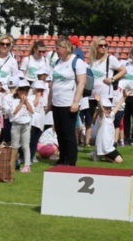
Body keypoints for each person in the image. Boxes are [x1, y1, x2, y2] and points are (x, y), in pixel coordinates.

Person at [47, 37, 86, 166]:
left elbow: (81, 83)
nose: (56, 50)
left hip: (68, 102)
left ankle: (71, 159)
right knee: (59, 131)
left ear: (65, 48)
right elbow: (52, 84)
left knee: (68, 132)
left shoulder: (77, 62)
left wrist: (75, 102)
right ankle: (62, 158)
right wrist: (49, 102)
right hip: (57, 102)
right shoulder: (57, 62)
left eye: (58, 48)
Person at [8, 78, 33, 172]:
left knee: (26, 145)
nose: (24, 92)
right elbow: (14, 112)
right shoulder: (13, 100)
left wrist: (26, 102)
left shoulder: (29, 100)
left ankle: (27, 165)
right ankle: (12, 164)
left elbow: (32, 110)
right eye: (22, 89)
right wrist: (22, 102)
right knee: (14, 145)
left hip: (26, 124)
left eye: (26, 90)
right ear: (17, 91)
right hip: (16, 124)